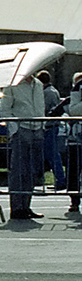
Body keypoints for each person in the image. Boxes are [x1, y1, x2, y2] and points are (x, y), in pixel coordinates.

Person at [0, 74, 47, 219]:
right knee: (19, 170)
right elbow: (5, 109)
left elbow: (41, 106)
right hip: (21, 129)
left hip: (37, 129)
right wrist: (14, 130)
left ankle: (26, 206)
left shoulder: (38, 84)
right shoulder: (12, 84)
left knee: (32, 171)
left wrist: (42, 125)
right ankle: (17, 208)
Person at [66, 74, 82, 215]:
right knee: (74, 170)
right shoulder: (78, 86)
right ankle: (74, 200)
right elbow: (74, 109)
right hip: (77, 137)